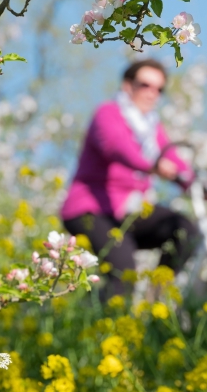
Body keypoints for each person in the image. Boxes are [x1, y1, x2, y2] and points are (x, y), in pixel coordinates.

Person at [61, 59, 198, 297]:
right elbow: (116, 146)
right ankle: (102, 327)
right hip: (91, 210)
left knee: (185, 230)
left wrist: (197, 183)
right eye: (145, 85)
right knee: (124, 271)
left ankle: (156, 297)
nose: (152, 93)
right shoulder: (108, 113)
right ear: (127, 86)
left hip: (128, 210)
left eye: (159, 89)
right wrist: (153, 165)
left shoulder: (152, 129)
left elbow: (173, 160)